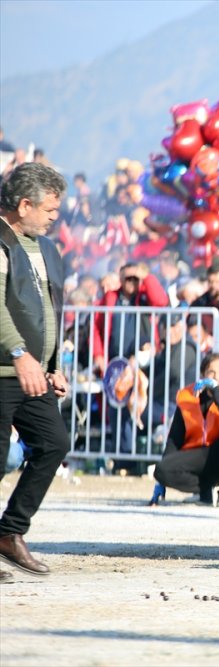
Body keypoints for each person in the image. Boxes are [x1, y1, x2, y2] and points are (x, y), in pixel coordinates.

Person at [0, 162, 70, 580]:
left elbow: (49, 311)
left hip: (34, 372)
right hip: (8, 368)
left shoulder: (45, 249)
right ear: (24, 204)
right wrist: (20, 353)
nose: (53, 218)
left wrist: (52, 365)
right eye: (48, 210)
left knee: (53, 444)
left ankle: (9, 533)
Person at [153, 353, 219, 507]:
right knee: (161, 469)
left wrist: (216, 390)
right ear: (203, 375)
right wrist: (161, 481)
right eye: (211, 372)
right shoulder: (188, 395)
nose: (216, 377)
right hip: (198, 456)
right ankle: (204, 491)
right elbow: (174, 439)